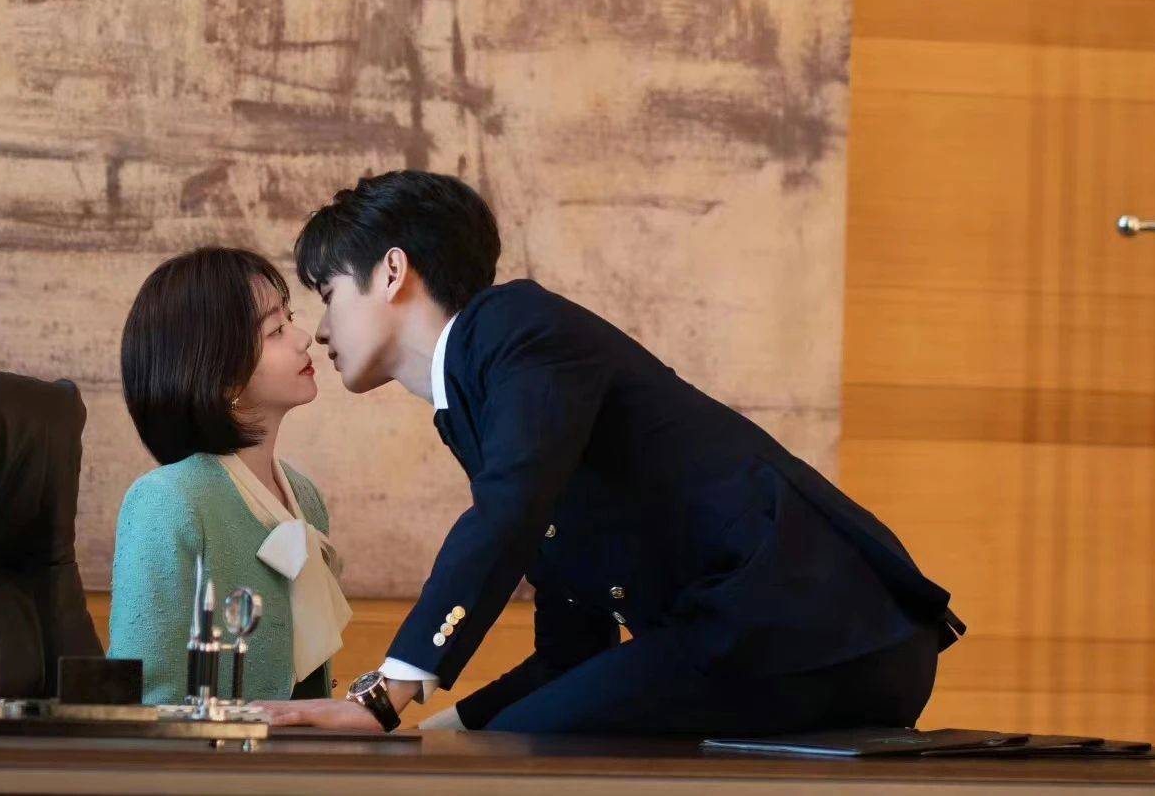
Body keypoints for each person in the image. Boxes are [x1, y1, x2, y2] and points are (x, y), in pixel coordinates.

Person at [262, 171, 962, 735]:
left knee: (531, 750)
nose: (320, 330)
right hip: (784, 634)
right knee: (516, 742)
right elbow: (573, 653)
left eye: (328, 293)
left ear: (392, 271)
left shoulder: (513, 326)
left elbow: (508, 511)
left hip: (818, 625)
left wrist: (385, 697)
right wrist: (444, 731)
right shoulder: (484, 394)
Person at [108, 246, 351, 705]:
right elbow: (146, 699)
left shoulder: (305, 496)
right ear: (220, 374)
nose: (304, 338)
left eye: (289, 319)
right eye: (275, 330)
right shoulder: (168, 500)